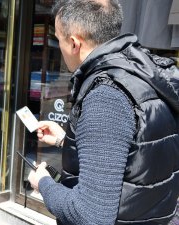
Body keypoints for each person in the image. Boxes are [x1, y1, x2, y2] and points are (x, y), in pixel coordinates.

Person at [28, 0, 179, 224]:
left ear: (73, 43)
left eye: (58, 38)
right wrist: (65, 140)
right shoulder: (142, 71)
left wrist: (44, 183)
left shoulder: (105, 95)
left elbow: (91, 215)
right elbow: (138, 154)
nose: (58, 47)